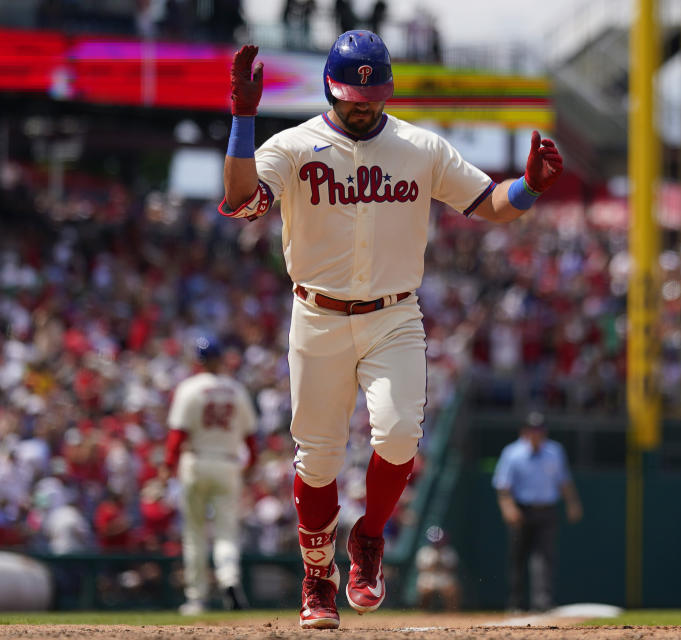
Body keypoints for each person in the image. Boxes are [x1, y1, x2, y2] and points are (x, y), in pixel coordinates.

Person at [222, 30, 563, 629]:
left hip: (394, 314)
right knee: (319, 460)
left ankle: (368, 539)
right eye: (355, 94)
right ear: (331, 87)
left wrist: (528, 187)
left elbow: (488, 203)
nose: (365, 104)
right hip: (317, 316)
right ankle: (317, 579)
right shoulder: (295, 145)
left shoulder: (419, 146)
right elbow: (242, 199)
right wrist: (243, 122)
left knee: (401, 433)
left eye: (374, 94)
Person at [166, 336, 259, 615]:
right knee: (226, 531)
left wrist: (167, 468)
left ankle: (197, 598)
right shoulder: (236, 390)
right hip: (228, 463)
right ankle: (229, 580)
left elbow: (176, 437)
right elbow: (252, 440)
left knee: (194, 532)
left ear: (197, 360)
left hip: (196, 461)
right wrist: (250, 465)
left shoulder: (189, 389)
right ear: (220, 359)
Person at [492, 411, 582, 613]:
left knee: (544, 557)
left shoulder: (554, 451)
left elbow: (564, 481)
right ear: (524, 432)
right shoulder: (512, 453)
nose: (536, 434)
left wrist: (572, 503)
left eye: (540, 430)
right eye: (533, 430)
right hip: (521, 510)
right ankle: (515, 602)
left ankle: (543, 601)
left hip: (547, 510)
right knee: (518, 557)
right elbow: (503, 486)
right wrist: (508, 508)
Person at [414, 525, 460, 610]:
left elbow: (453, 568)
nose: (437, 543)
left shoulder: (448, 551)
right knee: (424, 588)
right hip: (429, 576)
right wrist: (434, 564)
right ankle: (423, 612)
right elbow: (420, 568)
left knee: (452, 588)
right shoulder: (424, 551)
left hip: (444, 576)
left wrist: (441, 563)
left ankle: (452, 612)